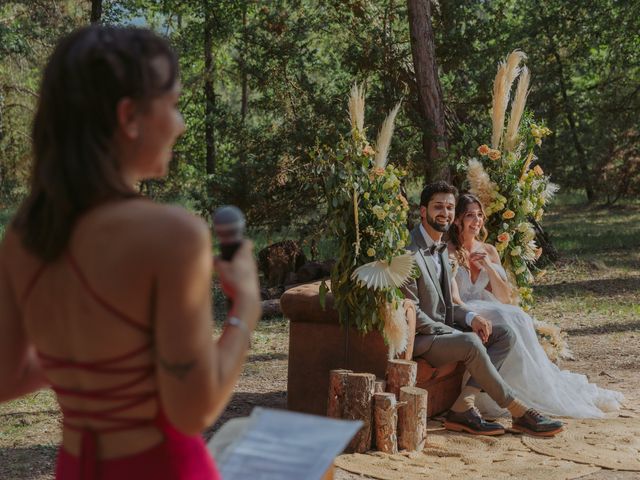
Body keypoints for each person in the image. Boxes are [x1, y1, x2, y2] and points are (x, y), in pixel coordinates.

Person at [0, 26, 261, 479]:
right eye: (174, 104)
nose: (179, 124)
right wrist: (247, 306)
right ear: (129, 117)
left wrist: (95, 358)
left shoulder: (24, 235)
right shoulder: (172, 234)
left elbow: (5, 377)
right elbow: (193, 411)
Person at [401, 181, 563, 437]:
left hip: (442, 329)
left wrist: (471, 317)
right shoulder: (408, 252)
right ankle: (519, 411)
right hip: (424, 338)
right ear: (423, 211)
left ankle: (463, 406)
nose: (444, 212)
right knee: (470, 342)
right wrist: (453, 332)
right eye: (438, 207)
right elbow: (413, 314)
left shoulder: (441, 247)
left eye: (449, 207)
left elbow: (447, 304)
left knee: (504, 335)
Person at [448, 193, 624, 418]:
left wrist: (489, 267)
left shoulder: (489, 250)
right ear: (457, 220)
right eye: (469, 216)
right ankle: (502, 390)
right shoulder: (448, 251)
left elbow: (503, 297)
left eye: (479, 215)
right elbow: (455, 300)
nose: (477, 221)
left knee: (517, 315)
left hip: (493, 306)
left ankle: (533, 383)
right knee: (509, 316)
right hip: (467, 310)